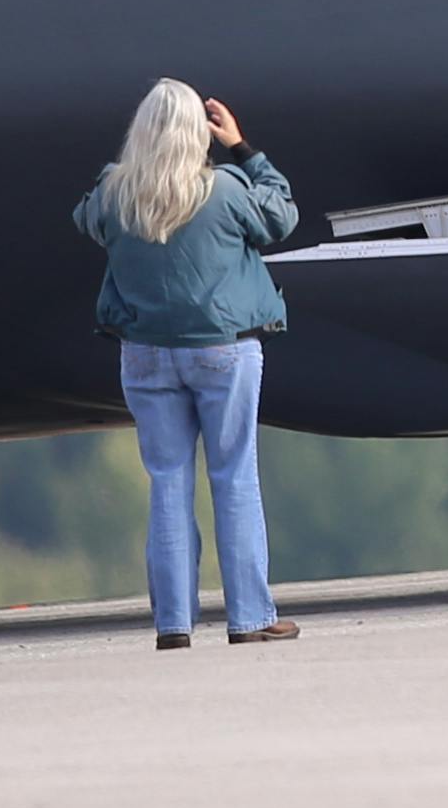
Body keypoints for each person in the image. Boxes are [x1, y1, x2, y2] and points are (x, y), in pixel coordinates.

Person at [70, 78, 305, 649]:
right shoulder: (223, 189)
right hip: (224, 349)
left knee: (168, 482)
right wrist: (244, 149)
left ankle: (173, 623)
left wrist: (126, 172)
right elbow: (282, 217)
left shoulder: (115, 194)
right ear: (197, 133)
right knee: (233, 477)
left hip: (146, 354)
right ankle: (249, 616)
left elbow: (86, 220)